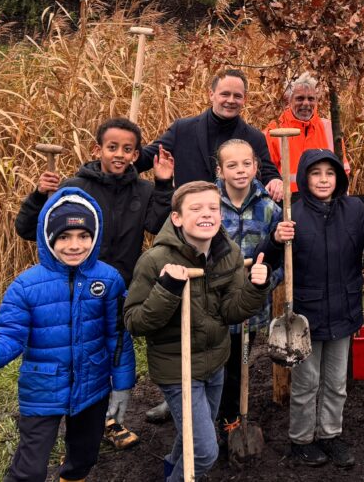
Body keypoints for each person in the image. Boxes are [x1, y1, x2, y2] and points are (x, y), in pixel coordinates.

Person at [13, 117, 172, 447]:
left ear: (135, 154)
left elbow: (157, 225)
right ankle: (74, 416)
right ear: (97, 149)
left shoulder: (142, 190)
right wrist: (41, 195)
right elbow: (29, 229)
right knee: (79, 352)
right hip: (76, 288)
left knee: (113, 351)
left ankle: (111, 419)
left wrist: (163, 184)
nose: (119, 154)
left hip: (120, 289)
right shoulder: (74, 187)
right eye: (112, 147)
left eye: (128, 149)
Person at [0, 188, 135, 482]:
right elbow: (10, 334)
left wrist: (123, 384)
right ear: (48, 237)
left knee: (84, 456)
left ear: (95, 235)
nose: (74, 245)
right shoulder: (26, 286)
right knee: (30, 469)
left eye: (83, 236)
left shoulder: (109, 279)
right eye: (64, 237)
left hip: (93, 386)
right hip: (42, 387)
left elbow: (117, 336)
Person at [124, 181, 271, 481]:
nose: (207, 214)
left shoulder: (227, 252)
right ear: (177, 218)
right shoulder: (155, 261)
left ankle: (171, 466)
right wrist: (167, 289)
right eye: (196, 208)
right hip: (178, 368)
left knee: (191, 436)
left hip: (215, 363)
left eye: (213, 208)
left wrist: (256, 288)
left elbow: (232, 311)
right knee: (205, 450)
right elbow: (135, 322)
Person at [265, 150, 364, 468]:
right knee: (306, 382)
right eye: (315, 173)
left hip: (344, 308)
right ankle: (301, 439)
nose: (323, 179)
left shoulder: (352, 209)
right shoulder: (291, 213)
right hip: (306, 317)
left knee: (337, 382)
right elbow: (267, 256)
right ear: (304, 178)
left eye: (330, 172)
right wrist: (274, 238)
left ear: (339, 178)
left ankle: (330, 435)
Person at [209, 139, 284, 436]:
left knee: (240, 364)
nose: (240, 171)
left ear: (256, 166)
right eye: (232, 165)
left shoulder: (269, 209)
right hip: (213, 305)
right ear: (220, 170)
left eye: (246, 164)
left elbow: (279, 259)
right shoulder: (208, 204)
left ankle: (232, 421)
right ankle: (212, 417)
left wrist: (267, 281)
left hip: (250, 306)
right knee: (216, 366)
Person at [135, 69, 282, 198]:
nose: (231, 100)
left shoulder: (254, 137)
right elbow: (146, 158)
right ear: (211, 94)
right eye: (225, 94)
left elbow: (268, 174)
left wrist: (275, 181)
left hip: (235, 224)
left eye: (237, 96)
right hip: (190, 218)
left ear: (245, 99)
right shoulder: (182, 130)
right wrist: (127, 148)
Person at [263, 73, 350, 193]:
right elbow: (266, 173)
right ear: (289, 100)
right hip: (288, 203)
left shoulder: (329, 128)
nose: (306, 103)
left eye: (311, 99)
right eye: (300, 98)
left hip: (324, 202)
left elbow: (343, 170)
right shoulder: (274, 131)